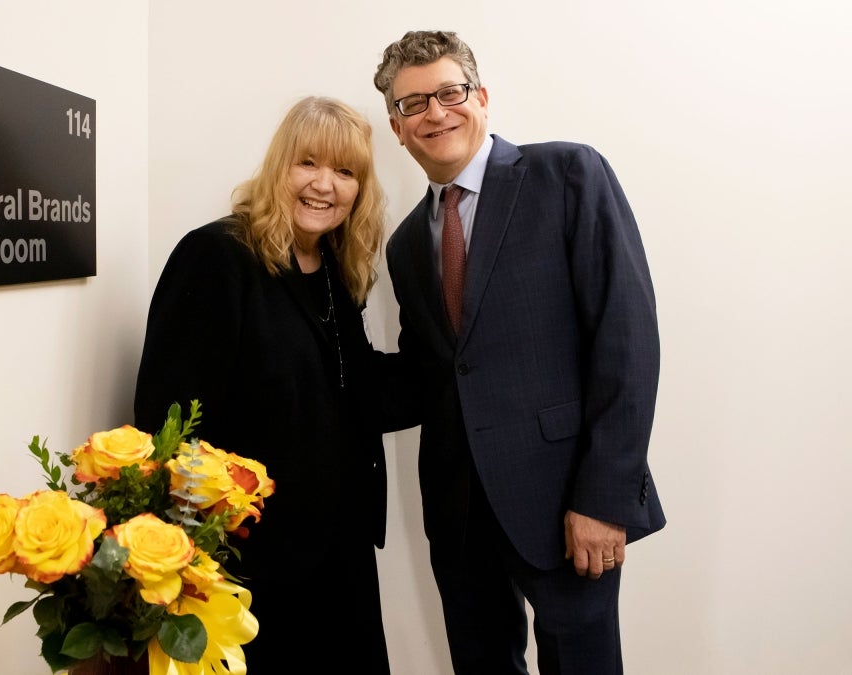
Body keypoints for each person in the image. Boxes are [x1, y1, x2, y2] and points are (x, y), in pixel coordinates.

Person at [372, 30, 665, 675]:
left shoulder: (567, 173)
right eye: (413, 104)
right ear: (396, 127)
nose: (435, 113)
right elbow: (432, 375)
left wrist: (605, 497)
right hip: (458, 513)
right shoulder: (402, 246)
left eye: (449, 93)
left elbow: (627, 339)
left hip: (566, 503)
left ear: (481, 96)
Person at [134, 96, 406, 674]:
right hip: (252, 563)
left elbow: (354, 391)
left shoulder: (334, 267)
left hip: (340, 553)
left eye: (345, 171)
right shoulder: (217, 256)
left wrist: (462, 368)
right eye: (308, 163)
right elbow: (168, 423)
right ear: (279, 165)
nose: (324, 185)